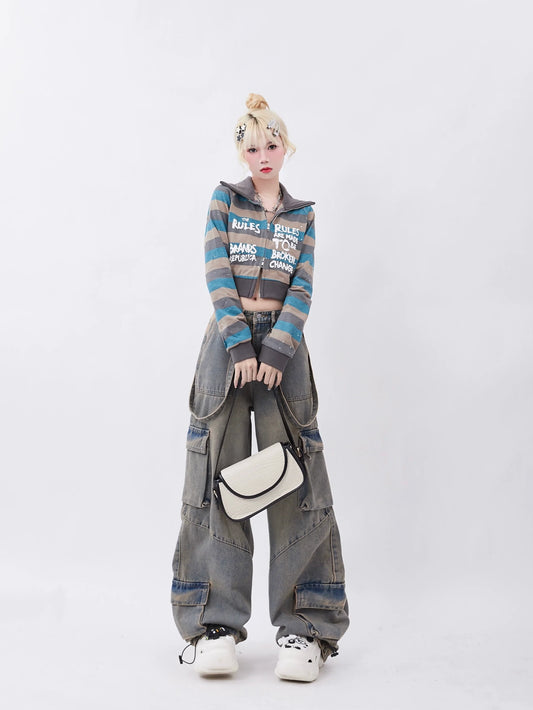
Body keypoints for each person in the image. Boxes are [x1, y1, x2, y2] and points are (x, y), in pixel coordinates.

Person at [171, 93, 349, 682]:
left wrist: (276, 348)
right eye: (253, 147)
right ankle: (213, 624)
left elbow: (303, 285)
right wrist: (240, 345)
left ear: (285, 146)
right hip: (226, 350)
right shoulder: (223, 200)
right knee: (216, 473)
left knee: (297, 475)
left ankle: (306, 626)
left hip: (285, 354)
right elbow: (216, 270)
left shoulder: (304, 215)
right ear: (241, 152)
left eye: (272, 144)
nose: (263, 155)